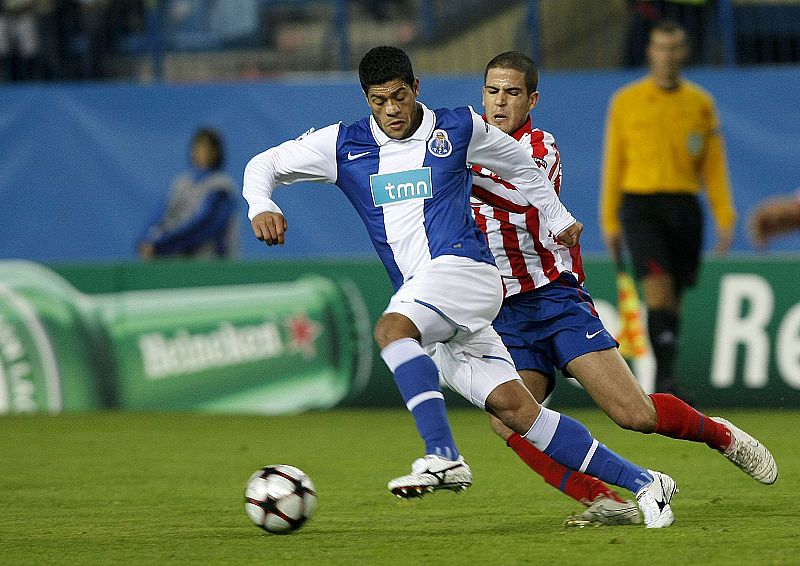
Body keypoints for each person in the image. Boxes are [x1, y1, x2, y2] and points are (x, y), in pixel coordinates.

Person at [244, 45, 681, 528]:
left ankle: (442, 453)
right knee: (519, 414)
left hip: (465, 272)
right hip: (434, 301)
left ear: (416, 89)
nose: (391, 110)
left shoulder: (456, 127)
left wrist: (557, 216)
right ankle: (646, 483)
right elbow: (263, 163)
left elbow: (519, 162)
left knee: (392, 330)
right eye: (378, 100)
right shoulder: (342, 145)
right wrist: (261, 204)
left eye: (398, 97)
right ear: (365, 99)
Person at [471, 51, 777, 527]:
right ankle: (603, 499)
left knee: (634, 414)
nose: (500, 102)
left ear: (532, 100)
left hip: (555, 300)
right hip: (505, 314)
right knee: (507, 419)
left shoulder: (539, 148)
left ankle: (721, 436)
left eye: (512, 93)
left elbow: (518, 197)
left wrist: (458, 177)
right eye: (492, 91)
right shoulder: (463, 146)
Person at [600, 19, 737, 398]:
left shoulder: (700, 104)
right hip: (641, 205)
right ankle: (663, 383)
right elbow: (614, 163)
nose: (667, 55)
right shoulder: (626, 102)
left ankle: (667, 376)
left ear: (684, 52)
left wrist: (725, 215)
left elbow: (713, 165)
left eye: (674, 48)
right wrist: (610, 219)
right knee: (657, 291)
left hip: (684, 207)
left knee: (674, 296)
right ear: (650, 52)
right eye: (661, 47)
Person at [138, 127, 238, 259]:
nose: (201, 152)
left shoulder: (221, 187)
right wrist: (147, 240)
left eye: (207, 147)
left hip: (212, 266)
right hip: (175, 264)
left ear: (216, 152)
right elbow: (160, 216)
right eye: (197, 146)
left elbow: (204, 226)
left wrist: (161, 245)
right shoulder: (181, 184)